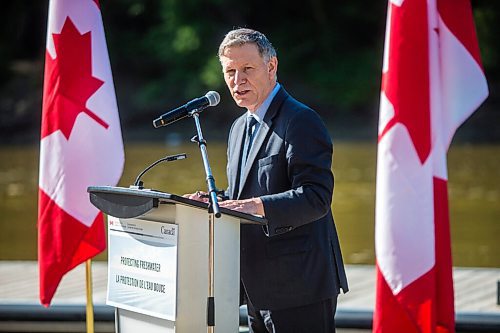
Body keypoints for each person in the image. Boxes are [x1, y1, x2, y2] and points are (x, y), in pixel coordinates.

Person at [187, 28, 348, 332]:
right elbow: (244, 193)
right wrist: (215, 201)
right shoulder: (238, 127)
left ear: (271, 66)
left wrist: (253, 205)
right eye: (230, 71)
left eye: (247, 69)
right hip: (256, 286)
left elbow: (316, 197)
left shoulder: (301, 120)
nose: (238, 80)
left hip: (300, 286)